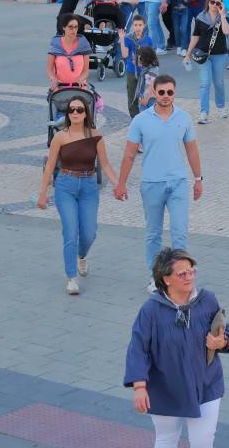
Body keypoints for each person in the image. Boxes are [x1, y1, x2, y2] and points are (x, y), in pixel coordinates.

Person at [125, 249, 229, 448]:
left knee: (203, 439)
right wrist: (139, 386)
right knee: (166, 437)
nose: (189, 277)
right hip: (165, 386)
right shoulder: (151, 310)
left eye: (191, 271)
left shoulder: (207, 300)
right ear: (166, 279)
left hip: (206, 383)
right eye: (182, 273)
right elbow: (138, 348)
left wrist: (221, 342)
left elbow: (226, 336)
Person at [115, 75, 204, 292]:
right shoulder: (140, 121)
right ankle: (156, 278)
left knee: (179, 232)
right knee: (153, 233)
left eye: (169, 92)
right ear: (154, 92)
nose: (165, 96)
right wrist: (121, 183)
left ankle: (182, 278)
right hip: (151, 184)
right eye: (161, 92)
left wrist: (198, 179)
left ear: (175, 93)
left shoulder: (184, 118)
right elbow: (129, 155)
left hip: (178, 183)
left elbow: (192, 150)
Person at [36, 96, 120, 294]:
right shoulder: (60, 137)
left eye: (79, 110)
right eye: (71, 109)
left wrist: (118, 185)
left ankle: (81, 256)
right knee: (70, 231)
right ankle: (71, 277)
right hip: (65, 185)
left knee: (89, 233)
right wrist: (42, 193)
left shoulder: (96, 135)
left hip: (89, 187)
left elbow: (105, 164)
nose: (75, 113)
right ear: (67, 114)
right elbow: (50, 167)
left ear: (86, 113)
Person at [185, 0, 229, 124]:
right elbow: (195, 36)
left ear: (221, 5)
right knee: (205, 83)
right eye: (212, 2)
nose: (214, 5)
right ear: (208, 2)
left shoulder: (224, 17)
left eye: (218, 3)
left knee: (219, 82)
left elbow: (227, 32)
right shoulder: (200, 17)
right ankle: (204, 112)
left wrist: (223, 15)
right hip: (203, 54)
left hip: (220, 54)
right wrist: (188, 53)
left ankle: (221, 106)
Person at [120, 16, 153, 118]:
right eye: (135, 25)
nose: (138, 27)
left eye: (140, 25)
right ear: (132, 26)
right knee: (132, 96)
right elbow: (125, 55)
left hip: (144, 71)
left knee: (145, 95)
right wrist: (122, 39)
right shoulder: (128, 38)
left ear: (144, 26)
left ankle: (145, 117)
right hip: (131, 71)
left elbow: (152, 57)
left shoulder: (148, 40)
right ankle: (134, 118)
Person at [47, 15, 92, 89]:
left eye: (76, 27)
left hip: (79, 87)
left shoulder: (83, 44)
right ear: (64, 27)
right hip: (59, 86)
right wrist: (53, 78)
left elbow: (86, 71)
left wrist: (81, 78)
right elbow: (49, 69)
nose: (73, 30)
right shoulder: (55, 43)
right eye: (70, 27)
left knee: (78, 97)